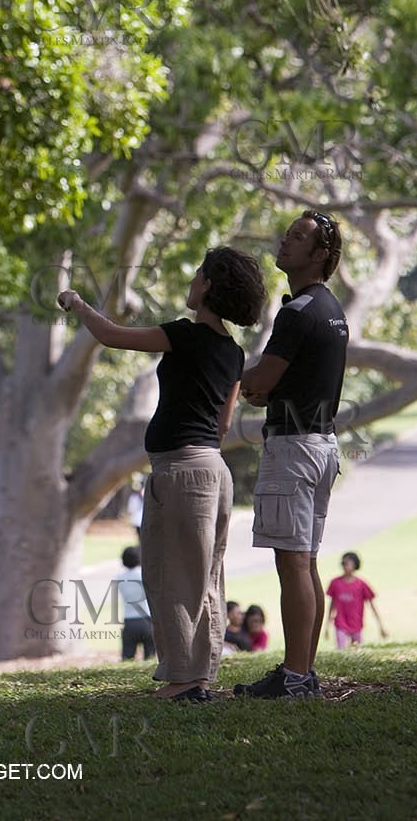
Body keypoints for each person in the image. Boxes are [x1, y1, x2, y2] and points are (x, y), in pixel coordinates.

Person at [59, 246, 265, 702]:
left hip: (181, 474)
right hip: (214, 471)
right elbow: (224, 424)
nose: (192, 280)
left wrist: (75, 301)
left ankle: (183, 682)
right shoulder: (232, 353)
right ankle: (199, 675)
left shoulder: (184, 335)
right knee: (206, 577)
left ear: (209, 285)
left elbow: (112, 336)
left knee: (172, 575)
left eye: (198, 273)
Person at [234, 210, 348, 700]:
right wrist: (267, 388)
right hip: (321, 445)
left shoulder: (298, 311)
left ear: (321, 255)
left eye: (299, 237)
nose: (286, 240)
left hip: (293, 449)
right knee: (307, 562)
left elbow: (257, 381)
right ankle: (302, 671)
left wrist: (255, 388)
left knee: (293, 564)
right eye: (288, 232)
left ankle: (297, 677)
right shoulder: (331, 309)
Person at [326, 552, 386, 648]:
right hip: (340, 623)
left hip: (356, 623)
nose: (345, 566)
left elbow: (372, 606)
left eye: (348, 563)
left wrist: (380, 626)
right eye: (343, 563)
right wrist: (327, 625)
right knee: (341, 649)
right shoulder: (335, 583)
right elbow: (332, 605)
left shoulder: (361, 584)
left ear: (355, 565)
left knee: (357, 649)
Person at [116, 546, 154, 662]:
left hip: (129, 621)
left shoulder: (119, 578)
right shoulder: (145, 575)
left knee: (127, 658)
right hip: (147, 620)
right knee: (150, 659)